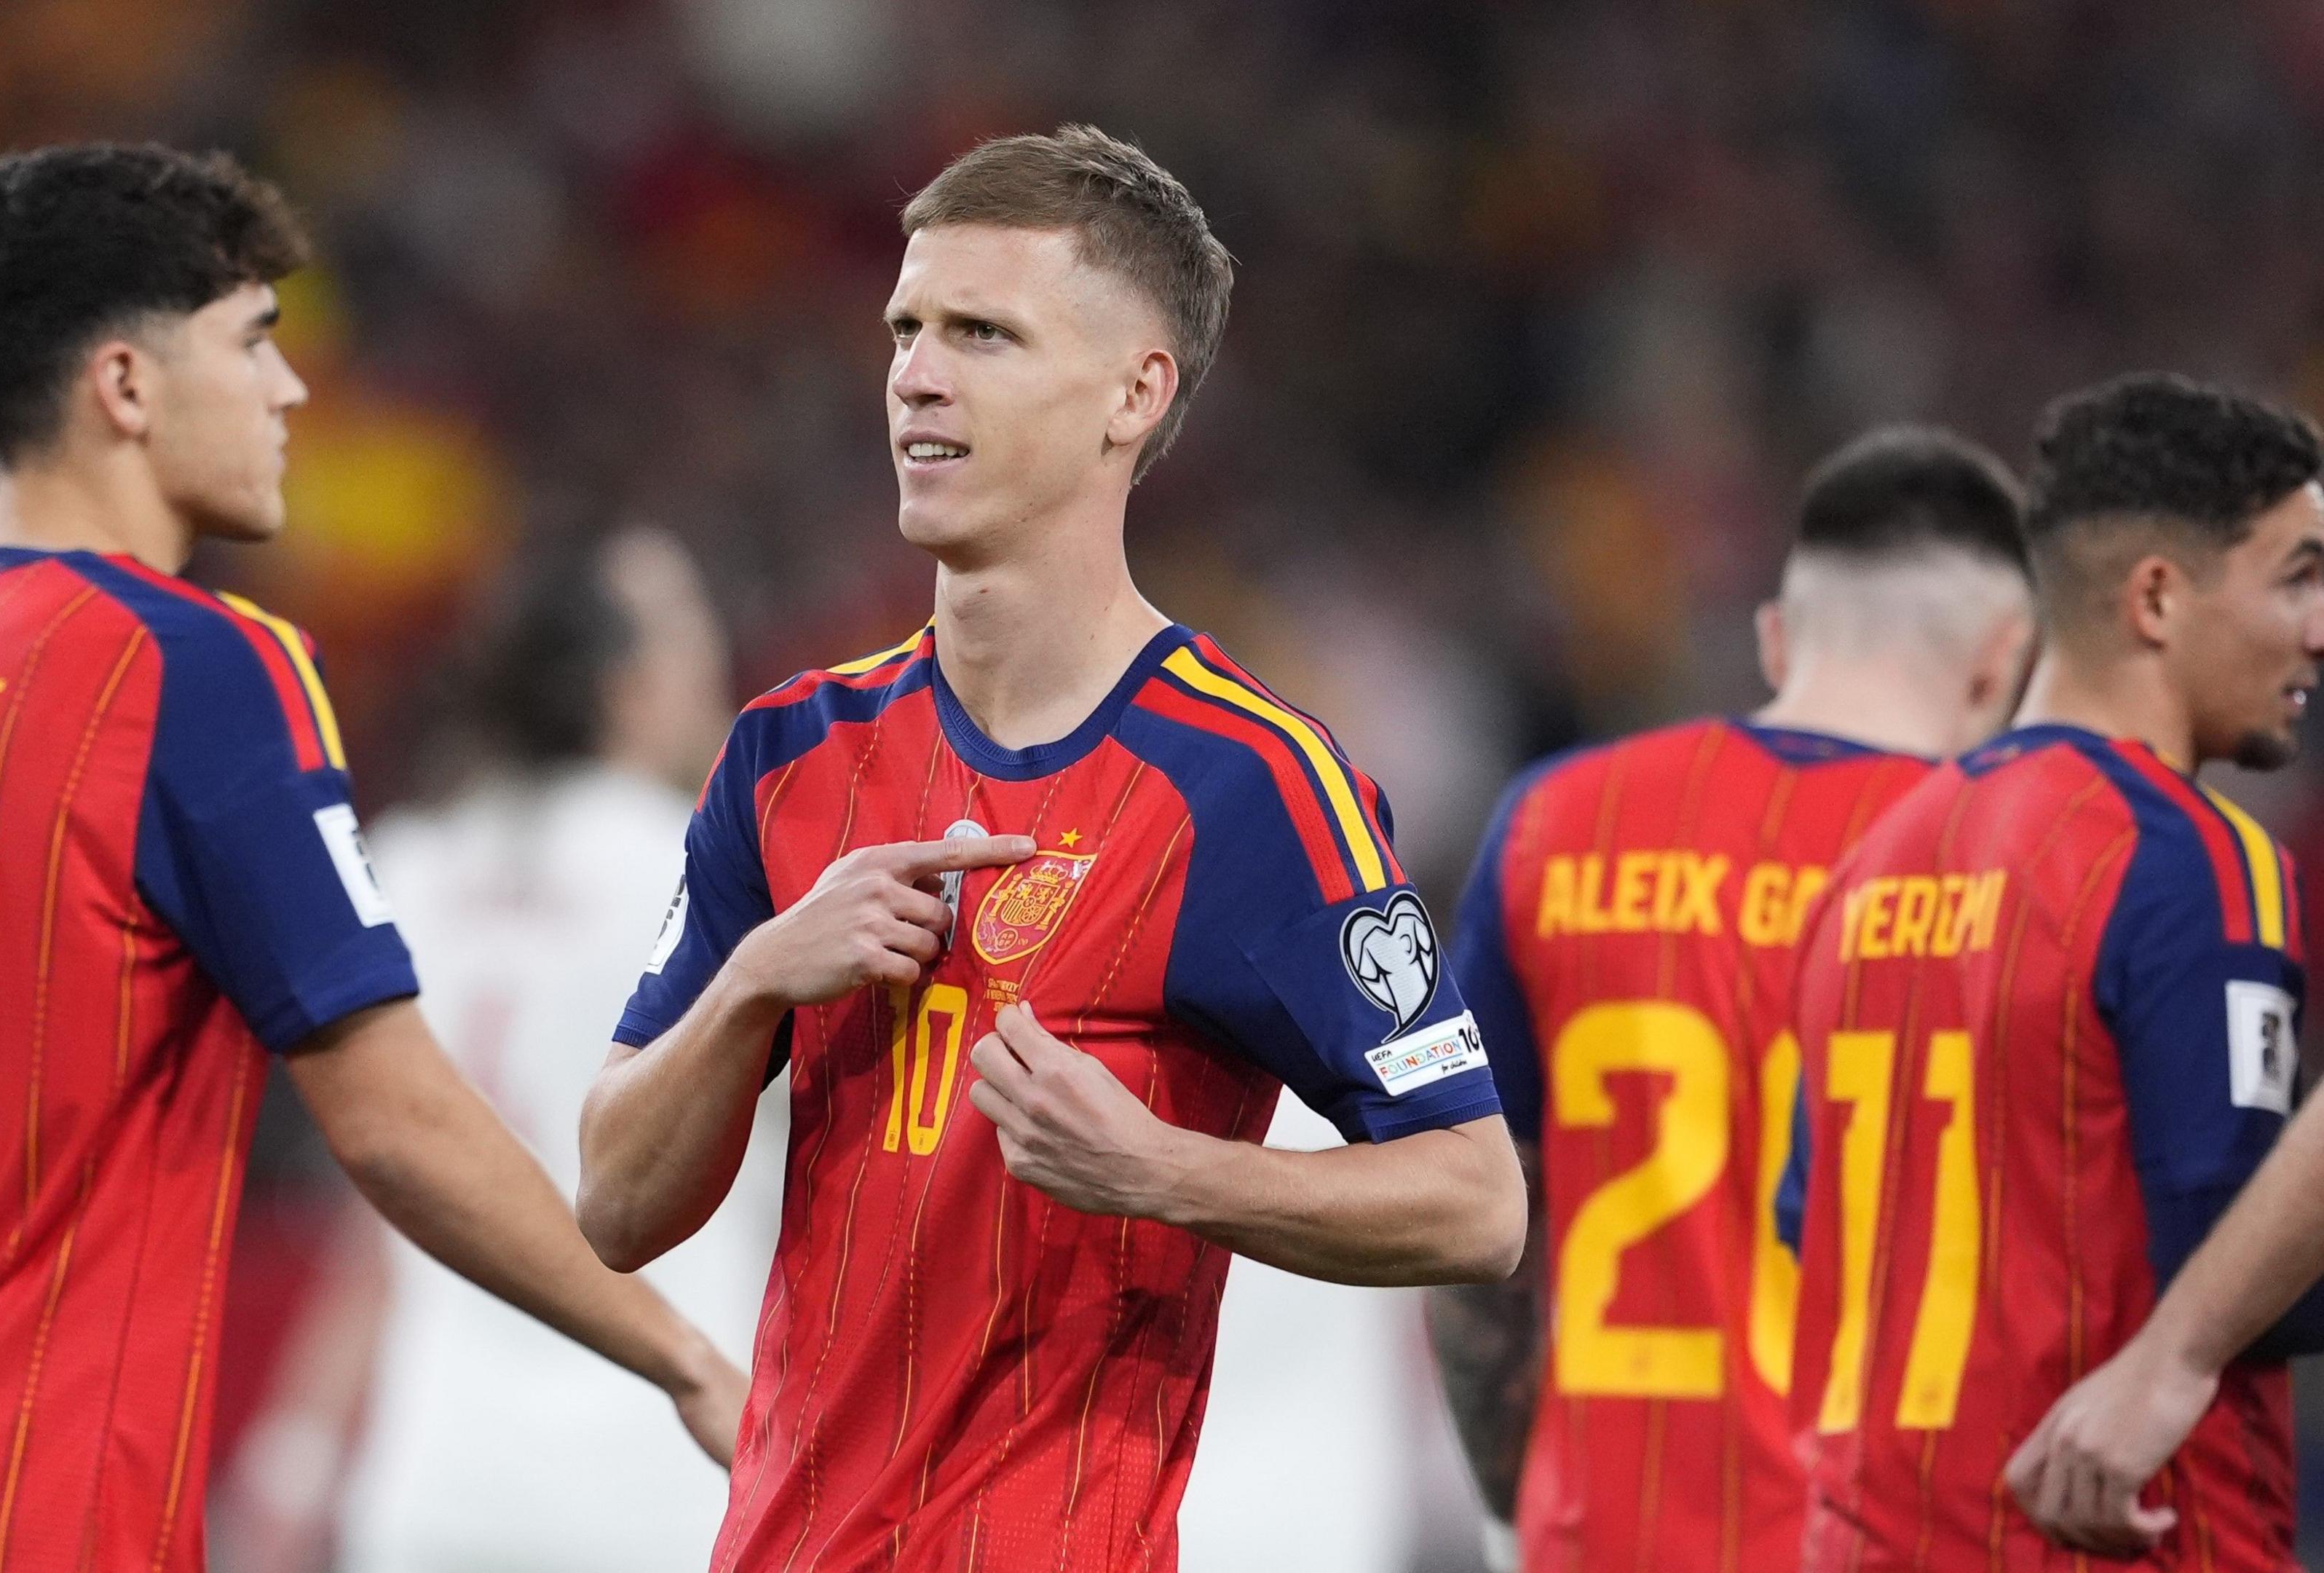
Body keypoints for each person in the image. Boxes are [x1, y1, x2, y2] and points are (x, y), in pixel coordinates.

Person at [0, 143, 744, 1573]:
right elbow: (391, 1119)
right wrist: (679, 1353)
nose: (290, 392)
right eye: (253, 344)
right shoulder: (199, 674)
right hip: (46, 1532)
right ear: (125, 387)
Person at [574, 124, 1527, 1573]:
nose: (916, 373)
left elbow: (1476, 1200)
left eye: (983, 333)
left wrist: (1163, 1169)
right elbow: (615, 1204)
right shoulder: (788, 755)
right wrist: (761, 977)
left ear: (1133, 396)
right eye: (905, 327)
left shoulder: (1251, 786)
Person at [1426, 427, 2036, 1573]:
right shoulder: (2015, 872)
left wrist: (1517, 1520)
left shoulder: (1556, 823)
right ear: (2002, 663)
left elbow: (1471, 1224)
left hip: (1602, 1530)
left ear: (1774, 637)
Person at [1779, 373, 2324, 1571]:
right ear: (2158, 598)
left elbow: (1805, 1224)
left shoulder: (1865, 872)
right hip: (2124, 1540)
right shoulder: (2193, 859)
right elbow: (2244, 1270)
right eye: (2297, 575)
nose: (2321, 628)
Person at [219, 526, 786, 1572]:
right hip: (670, 1473)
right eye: (683, 628)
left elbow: (386, 1199)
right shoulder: (719, 875)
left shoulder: (405, 866)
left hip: (437, 1477)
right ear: (625, 683)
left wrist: (297, 1449)